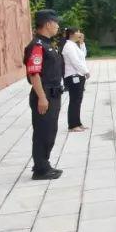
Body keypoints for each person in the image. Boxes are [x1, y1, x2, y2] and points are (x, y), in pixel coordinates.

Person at [24, 9, 65, 180]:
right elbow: (34, 74)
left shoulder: (48, 44)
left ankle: (44, 164)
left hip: (53, 94)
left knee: (50, 131)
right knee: (43, 132)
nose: (57, 26)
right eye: (56, 23)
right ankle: (40, 169)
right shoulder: (37, 46)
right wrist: (42, 97)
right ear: (48, 23)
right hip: (44, 95)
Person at [61, 27, 90, 132]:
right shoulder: (69, 46)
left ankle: (78, 123)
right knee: (74, 100)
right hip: (73, 76)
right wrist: (86, 71)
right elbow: (75, 62)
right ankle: (72, 125)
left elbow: (83, 55)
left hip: (78, 75)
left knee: (78, 100)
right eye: (77, 32)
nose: (80, 33)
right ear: (72, 34)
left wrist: (82, 43)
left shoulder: (74, 45)